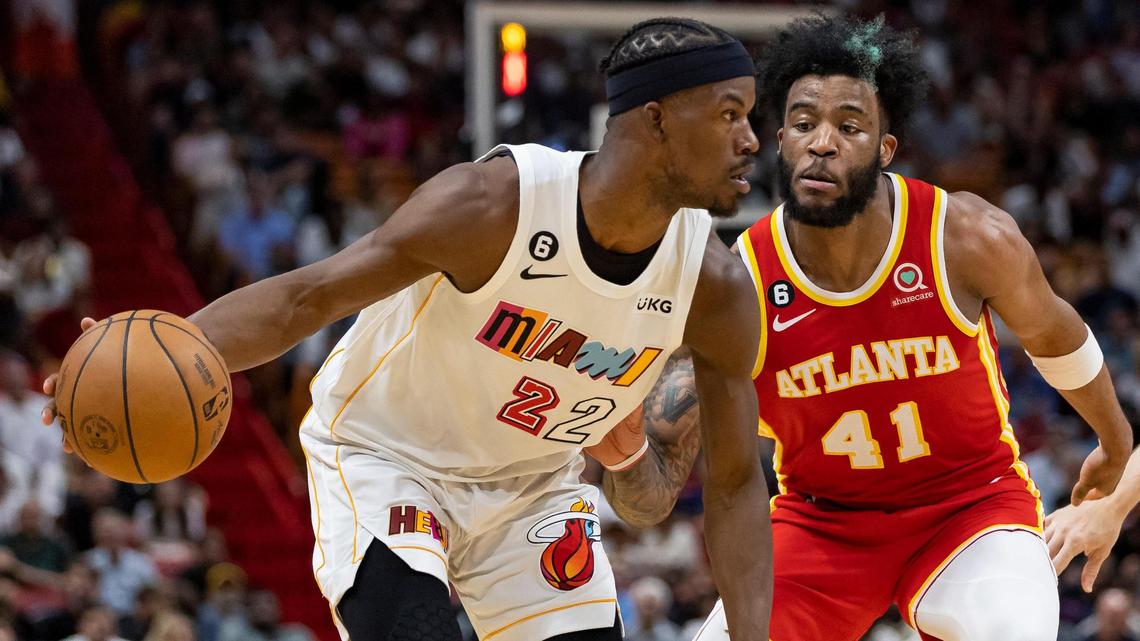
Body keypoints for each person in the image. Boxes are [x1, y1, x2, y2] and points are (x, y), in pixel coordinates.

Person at [42, 17, 772, 641]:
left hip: (535, 489)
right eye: (730, 113)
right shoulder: (492, 206)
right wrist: (154, 356)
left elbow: (732, 486)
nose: (751, 138)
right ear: (656, 117)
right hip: (390, 455)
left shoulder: (713, 286)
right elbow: (308, 297)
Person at [601, 14, 1133, 641]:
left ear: (885, 149)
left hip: (969, 509)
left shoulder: (964, 238)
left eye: (847, 127)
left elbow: (1055, 338)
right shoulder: (734, 286)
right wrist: (627, 451)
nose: (821, 143)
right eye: (803, 124)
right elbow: (648, 498)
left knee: (1015, 629)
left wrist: (1114, 442)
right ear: (779, 140)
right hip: (820, 526)